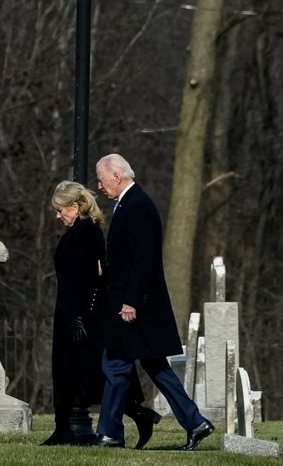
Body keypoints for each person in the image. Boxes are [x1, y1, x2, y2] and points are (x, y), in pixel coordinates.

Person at [92, 154, 214, 450]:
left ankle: (109, 433)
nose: (99, 186)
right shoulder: (129, 204)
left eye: (101, 179)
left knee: (116, 365)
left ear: (117, 177)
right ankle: (195, 422)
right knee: (153, 366)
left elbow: (144, 260)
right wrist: (105, 270)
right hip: (133, 305)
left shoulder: (138, 206)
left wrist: (131, 301)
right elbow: (127, 258)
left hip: (134, 308)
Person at [43, 181, 158, 448]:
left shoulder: (85, 232)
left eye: (61, 210)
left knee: (87, 375)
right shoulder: (79, 231)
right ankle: (65, 430)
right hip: (71, 312)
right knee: (72, 374)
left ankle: (138, 415)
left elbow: (89, 280)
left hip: (81, 316)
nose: (58, 216)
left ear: (75, 206)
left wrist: (79, 316)